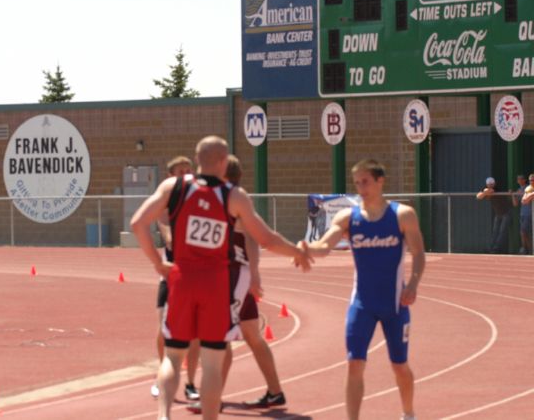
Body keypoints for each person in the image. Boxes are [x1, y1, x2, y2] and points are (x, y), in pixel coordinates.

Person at [131, 135, 312, 420]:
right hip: (216, 284)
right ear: (222, 160)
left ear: (197, 158)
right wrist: (297, 252)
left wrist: (158, 264)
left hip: (182, 278)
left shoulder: (173, 187)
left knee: (173, 356)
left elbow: (137, 223)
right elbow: (265, 238)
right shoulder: (234, 196)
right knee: (213, 363)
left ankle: (163, 415)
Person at [302, 159, 425, 420]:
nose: (361, 188)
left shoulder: (403, 215)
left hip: (395, 304)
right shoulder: (348, 218)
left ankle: (409, 413)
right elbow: (324, 246)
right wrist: (305, 249)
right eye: (357, 182)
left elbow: (419, 253)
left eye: (365, 181)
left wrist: (413, 283)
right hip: (362, 304)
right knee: (354, 363)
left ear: (380, 181)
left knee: (399, 365)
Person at [186, 154, 287, 414]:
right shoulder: (222, 200)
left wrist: (253, 273)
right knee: (252, 335)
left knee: (221, 338)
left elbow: (255, 239)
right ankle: (275, 392)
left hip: (233, 278)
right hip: (233, 276)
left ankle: (213, 397)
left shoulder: (233, 201)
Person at [151, 156, 201, 402]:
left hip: (195, 277)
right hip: (171, 276)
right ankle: (162, 375)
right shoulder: (166, 206)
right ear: (171, 177)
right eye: (180, 172)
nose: (186, 175)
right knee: (164, 330)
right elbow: (169, 237)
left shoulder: (202, 200)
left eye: (188, 170)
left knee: (194, 335)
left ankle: (191, 383)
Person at [476, 177, 513, 253]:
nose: (490, 186)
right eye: (489, 184)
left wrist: (486, 192)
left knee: (502, 232)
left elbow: (491, 191)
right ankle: (491, 248)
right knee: (495, 232)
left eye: (492, 184)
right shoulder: (486, 189)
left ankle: (496, 249)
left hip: (506, 213)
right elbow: (478, 196)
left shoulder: (497, 188)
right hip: (498, 214)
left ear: (494, 184)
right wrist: (485, 192)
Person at [512, 174, 532, 255]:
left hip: (529, 214)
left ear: (524, 180)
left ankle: (529, 249)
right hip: (523, 214)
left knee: (525, 232)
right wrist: (513, 195)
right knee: (523, 232)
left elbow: (527, 199)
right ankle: (526, 249)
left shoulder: (529, 188)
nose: (519, 181)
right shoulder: (519, 189)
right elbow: (515, 204)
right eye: (518, 179)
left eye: (521, 179)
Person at [520, 174, 534, 255]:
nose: (531, 182)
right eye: (530, 180)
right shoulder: (529, 189)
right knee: (524, 232)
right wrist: (531, 195)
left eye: (533, 180)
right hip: (528, 215)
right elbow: (524, 200)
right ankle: (530, 250)